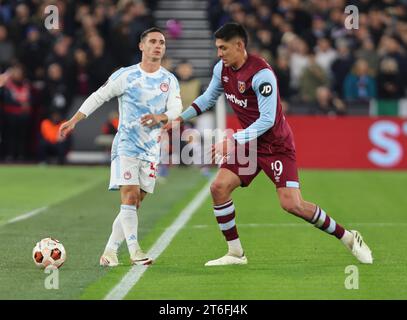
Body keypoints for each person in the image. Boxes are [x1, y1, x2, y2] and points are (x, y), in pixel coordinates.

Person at [165, 23, 373, 266]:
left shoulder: (261, 74)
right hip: (249, 143)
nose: (219, 53)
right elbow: (209, 97)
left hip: (275, 145)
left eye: (223, 48)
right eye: (217, 48)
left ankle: (348, 237)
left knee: (292, 204)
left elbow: (266, 120)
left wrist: (231, 140)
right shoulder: (222, 68)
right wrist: (180, 118)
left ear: (239, 45)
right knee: (218, 188)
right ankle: (235, 253)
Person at [58, 27, 182, 266]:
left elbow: (176, 108)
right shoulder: (125, 76)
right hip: (126, 145)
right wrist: (74, 120)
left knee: (136, 202)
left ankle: (110, 251)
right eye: (153, 41)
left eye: (162, 42)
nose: (158, 46)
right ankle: (135, 251)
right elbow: (98, 96)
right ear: (141, 46)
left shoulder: (169, 80)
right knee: (129, 195)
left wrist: (161, 118)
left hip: (151, 149)